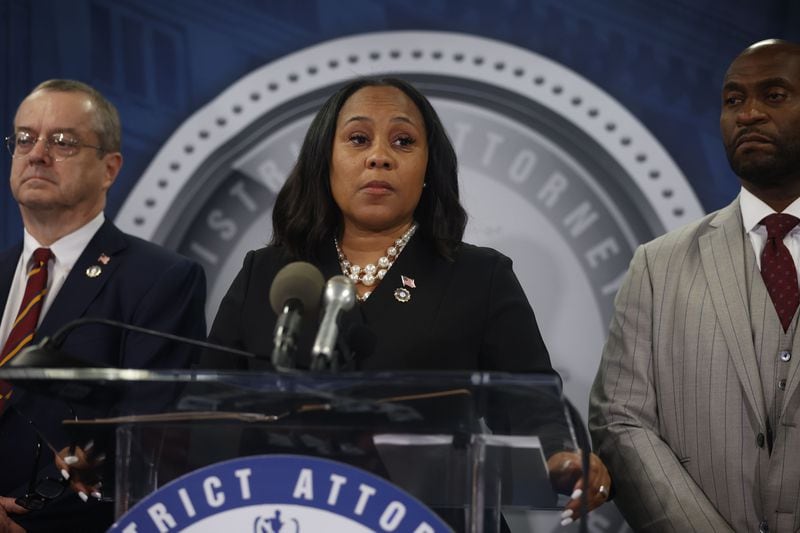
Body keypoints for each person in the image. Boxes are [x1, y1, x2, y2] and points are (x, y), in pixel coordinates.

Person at [207, 76, 611, 527]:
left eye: (403, 141)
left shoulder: (478, 276)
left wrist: (560, 455)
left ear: (426, 171)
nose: (378, 156)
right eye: (358, 139)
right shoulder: (267, 273)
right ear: (326, 161)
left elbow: (530, 402)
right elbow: (207, 409)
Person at [589, 39, 800, 532]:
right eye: (733, 100)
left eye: (774, 95)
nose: (748, 114)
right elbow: (620, 421)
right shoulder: (656, 266)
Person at [0, 80, 207, 532]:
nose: (37, 153)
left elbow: (149, 449)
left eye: (63, 142)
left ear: (109, 168)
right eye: (24, 138)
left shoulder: (161, 280)